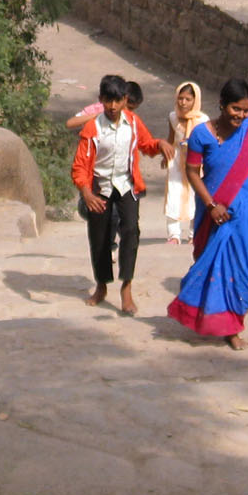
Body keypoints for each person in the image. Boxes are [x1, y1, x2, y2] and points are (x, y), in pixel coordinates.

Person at [168, 79, 248, 350]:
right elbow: (193, 172)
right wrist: (210, 205)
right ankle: (230, 328)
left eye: (245, 110)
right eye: (235, 109)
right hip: (217, 211)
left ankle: (231, 318)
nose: (240, 116)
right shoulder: (201, 135)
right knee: (217, 266)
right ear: (221, 105)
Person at [71, 75, 171, 315]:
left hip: (127, 186)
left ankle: (126, 287)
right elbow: (80, 166)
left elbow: (146, 145)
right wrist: (86, 192)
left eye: (118, 101)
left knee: (130, 233)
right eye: (108, 101)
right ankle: (102, 285)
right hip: (100, 187)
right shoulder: (92, 128)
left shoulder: (134, 122)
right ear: (101, 100)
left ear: (125, 100)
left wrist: (161, 145)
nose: (113, 107)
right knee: (100, 237)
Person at [164, 81, 205, 242]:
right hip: (176, 161)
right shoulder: (173, 117)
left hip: (197, 163)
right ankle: (174, 234)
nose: (183, 103)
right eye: (180, 98)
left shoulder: (202, 120)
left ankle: (194, 233)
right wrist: (165, 155)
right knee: (173, 195)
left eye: (188, 99)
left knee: (196, 195)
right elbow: (171, 138)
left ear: (195, 100)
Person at [67, 78, 145, 129]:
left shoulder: (126, 118)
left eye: (133, 109)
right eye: (129, 108)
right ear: (123, 100)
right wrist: (97, 116)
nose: (130, 112)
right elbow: (70, 124)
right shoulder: (102, 108)